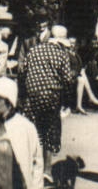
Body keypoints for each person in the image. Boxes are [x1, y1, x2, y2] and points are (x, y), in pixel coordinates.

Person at [19, 25, 80, 167]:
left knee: (34, 133)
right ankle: (46, 170)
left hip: (31, 98)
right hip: (51, 99)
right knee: (49, 134)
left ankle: (32, 168)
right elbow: (67, 80)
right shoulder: (61, 54)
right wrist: (68, 102)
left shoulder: (33, 50)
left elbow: (22, 72)